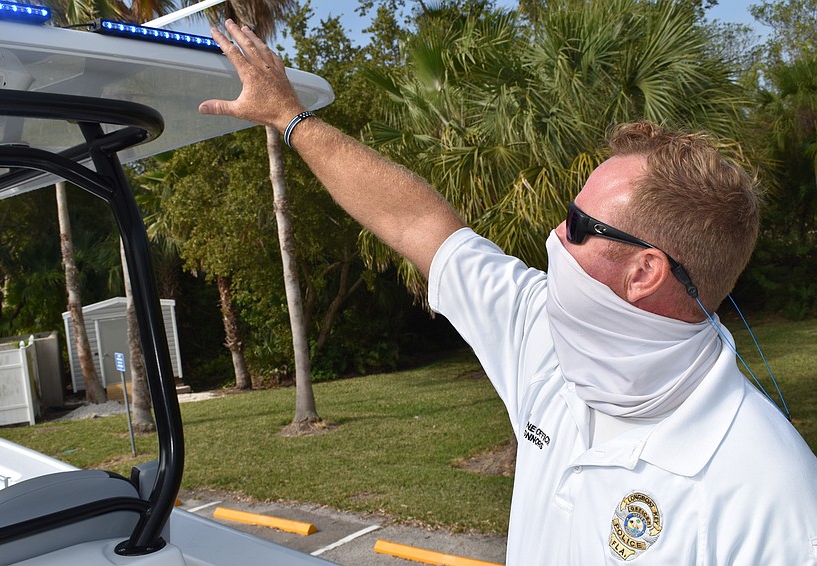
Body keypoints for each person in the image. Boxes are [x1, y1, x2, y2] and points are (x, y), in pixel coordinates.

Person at [200, 20, 817, 564]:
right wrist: (290, 117)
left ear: (644, 272)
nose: (555, 233)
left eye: (578, 226)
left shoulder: (771, 495)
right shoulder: (541, 330)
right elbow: (418, 223)